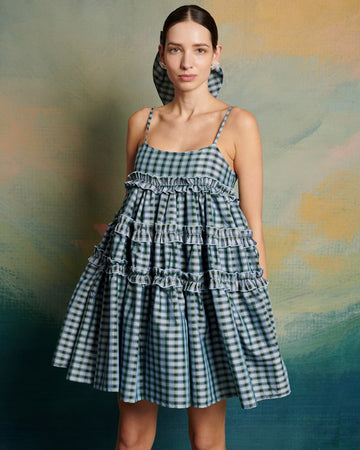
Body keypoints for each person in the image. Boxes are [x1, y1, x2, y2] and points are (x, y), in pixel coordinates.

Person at [52, 4, 291, 449]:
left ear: (216, 54)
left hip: (207, 294)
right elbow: (135, 205)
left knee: (206, 439)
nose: (187, 62)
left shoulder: (237, 123)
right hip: (138, 293)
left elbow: (253, 227)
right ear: (161, 54)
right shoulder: (141, 122)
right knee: (131, 436)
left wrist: (248, 305)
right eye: (176, 50)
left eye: (199, 50)